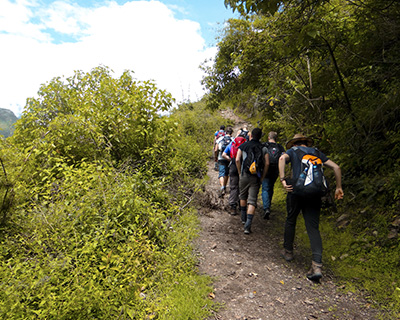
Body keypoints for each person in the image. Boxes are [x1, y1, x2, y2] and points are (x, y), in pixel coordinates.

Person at [278, 133, 344, 281]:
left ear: (295, 144)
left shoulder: (292, 151)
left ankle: (288, 251)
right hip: (315, 193)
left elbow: (282, 159)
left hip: (296, 191)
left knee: (291, 219)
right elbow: (337, 167)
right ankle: (317, 265)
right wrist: (338, 187)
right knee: (313, 227)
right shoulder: (316, 152)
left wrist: (283, 180)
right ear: (306, 143)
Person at [236, 128, 269, 234]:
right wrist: (262, 176)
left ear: (251, 136)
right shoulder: (263, 148)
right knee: (252, 200)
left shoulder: (243, 145)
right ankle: (247, 226)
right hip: (255, 176)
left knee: (242, 196)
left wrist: (239, 172)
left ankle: (243, 218)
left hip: (244, 174)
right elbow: (267, 163)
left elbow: (237, 159)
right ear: (260, 136)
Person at [222, 130, 247, 215]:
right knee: (242, 187)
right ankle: (242, 205)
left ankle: (233, 206)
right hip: (243, 166)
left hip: (233, 166)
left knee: (233, 186)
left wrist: (230, 160)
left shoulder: (232, 143)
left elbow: (223, 154)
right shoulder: (246, 144)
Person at [261, 131, 285, 219]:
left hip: (266, 169)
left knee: (265, 187)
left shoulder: (264, 145)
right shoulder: (280, 147)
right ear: (276, 138)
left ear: (268, 137)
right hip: (276, 169)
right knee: (271, 187)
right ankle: (268, 205)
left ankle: (266, 207)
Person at [215, 127, 234, 197]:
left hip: (221, 157)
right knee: (226, 173)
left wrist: (216, 157)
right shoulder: (233, 140)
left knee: (221, 173)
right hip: (229, 158)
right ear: (231, 133)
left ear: (225, 132)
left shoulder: (220, 139)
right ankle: (225, 187)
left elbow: (216, 150)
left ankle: (222, 187)